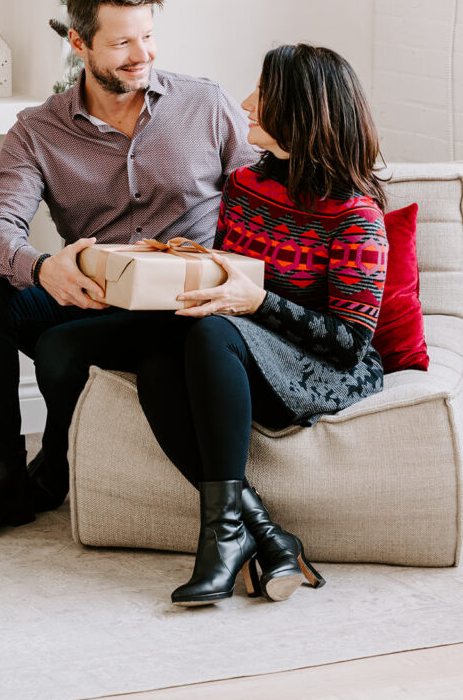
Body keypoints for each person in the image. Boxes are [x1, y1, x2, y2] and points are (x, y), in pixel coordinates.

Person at [34, 43, 387, 605]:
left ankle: (222, 537)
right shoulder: (248, 184)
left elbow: (349, 342)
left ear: (302, 110)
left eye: (264, 95)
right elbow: (228, 273)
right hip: (229, 341)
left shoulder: (355, 213)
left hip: (311, 366)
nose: (246, 103)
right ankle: (266, 534)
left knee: (203, 332)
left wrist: (258, 302)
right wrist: (184, 261)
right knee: (63, 346)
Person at [0, 0, 258, 547]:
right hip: (92, 292)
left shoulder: (205, 104)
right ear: (79, 43)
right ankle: (3, 473)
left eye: (148, 36)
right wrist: (40, 268)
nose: (143, 55)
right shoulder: (38, 130)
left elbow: (264, 196)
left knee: (60, 355)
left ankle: (56, 457)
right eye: (121, 42)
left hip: (178, 305)